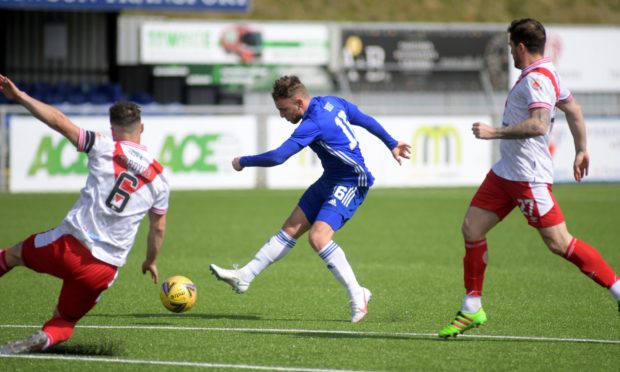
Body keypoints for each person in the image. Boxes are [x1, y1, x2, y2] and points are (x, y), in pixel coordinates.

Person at [438, 18, 620, 338]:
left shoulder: (537, 79)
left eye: (511, 47)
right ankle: (471, 308)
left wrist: (493, 132)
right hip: (505, 174)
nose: (510, 52)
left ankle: (618, 289)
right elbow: (574, 110)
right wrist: (581, 149)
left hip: (526, 177)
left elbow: (538, 125)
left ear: (521, 47)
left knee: (559, 243)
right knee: (472, 227)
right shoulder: (548, 73)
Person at [210, 75, 411, 322]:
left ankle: (358, 294)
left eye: (284, 109)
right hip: (330, 179)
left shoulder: (312, 123)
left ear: (299, 102)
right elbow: (365, 120)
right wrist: (391, 142)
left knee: (318, 238)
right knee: (290, 229)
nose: (282, 116)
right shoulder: (332, 102)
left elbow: (277, 157)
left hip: (351, 181)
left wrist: (243, 161)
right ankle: (246, 276)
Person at [0, 75, 170, 354]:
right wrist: (150, 260)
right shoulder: (160, 179)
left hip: (68, 247)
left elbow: (58, 121)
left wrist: (19, 96)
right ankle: (45, 338)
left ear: (112, 129)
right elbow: (158, 228)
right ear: (142, 127)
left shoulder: (104, 146)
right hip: (103, 269)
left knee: (13, 255)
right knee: (65, 320)